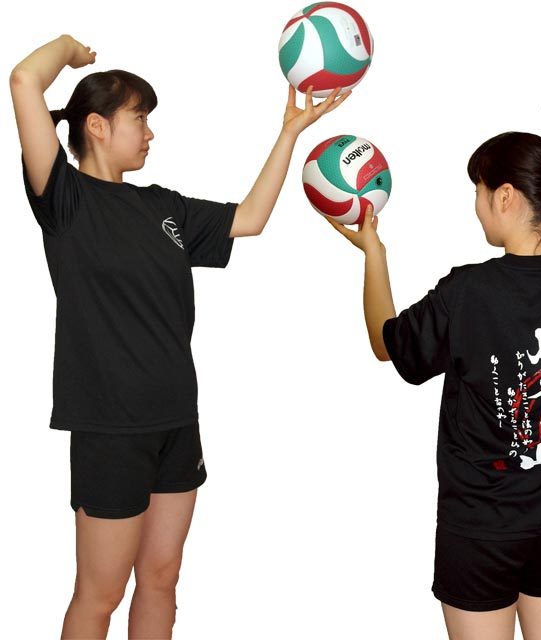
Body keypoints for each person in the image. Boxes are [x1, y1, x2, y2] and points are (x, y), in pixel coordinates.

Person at [9, 34, 350, 639]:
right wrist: (68, 49)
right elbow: (23, 80)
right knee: (100, 593)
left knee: (161, 578)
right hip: (110, 427)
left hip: (175, 420)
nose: (150, 133)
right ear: (96, 126)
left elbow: (250, 218)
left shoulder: (163, 207)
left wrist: (290, 133)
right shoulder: (64, 199)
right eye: (139, 119)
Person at [326, 90, 541, 639]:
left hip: (480, 529)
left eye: (479, 191)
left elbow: (386, 343)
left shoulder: (466, 292)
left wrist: (374, 254)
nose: (477, 204)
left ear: (505, 196)